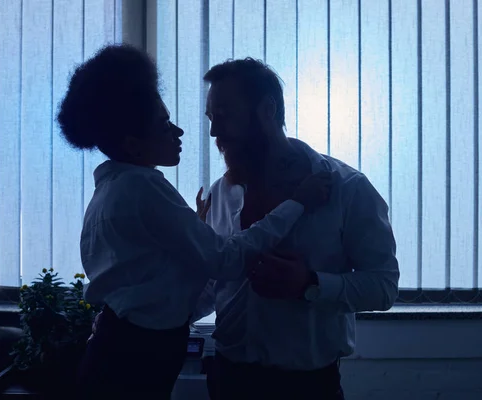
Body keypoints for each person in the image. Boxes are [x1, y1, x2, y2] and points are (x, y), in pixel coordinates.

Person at [56, 44, 331, 399]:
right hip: (135, 360)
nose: (180, 132)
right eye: (164, 124)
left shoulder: (113, 189)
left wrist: (193, 232)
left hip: (125, 349)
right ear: (133, 145)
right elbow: (227, 261)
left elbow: (162, 282)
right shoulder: (142, 188)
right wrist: (297, 203)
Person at [192, 58, 400, 400]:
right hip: (228, 380)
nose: (215, 133)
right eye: (211, 119)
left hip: (308, 388)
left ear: (267, 110)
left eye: (225, 115)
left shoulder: (349, 189)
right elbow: (214, 283)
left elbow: (383, 286)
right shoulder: (219, 193)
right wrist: (144, 318)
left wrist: (310, 284)